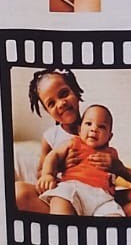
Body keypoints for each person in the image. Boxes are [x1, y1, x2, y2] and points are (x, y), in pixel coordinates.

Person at [41, 103, 131, 219]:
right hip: (73, 188)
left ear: (109, 137)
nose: (94, 129)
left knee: (114, 214)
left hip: (103, 197)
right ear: (79, 130)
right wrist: (47, 174)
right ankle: (65, 229)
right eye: (89, 124)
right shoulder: (73, 142)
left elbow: (126, 172)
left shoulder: (111, 153)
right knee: (60, 198)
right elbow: (53, 155)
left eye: (102, 127)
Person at [12, 66, 86, 214]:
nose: (61, 104)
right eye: (51, 103)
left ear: (75, 91)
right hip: (62, 195)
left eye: (64, 94)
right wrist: (57, 168)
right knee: (18, 192)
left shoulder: (93, 125)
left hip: (91, 192)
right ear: (47, 111)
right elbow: (41, 174)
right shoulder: (51, 137)